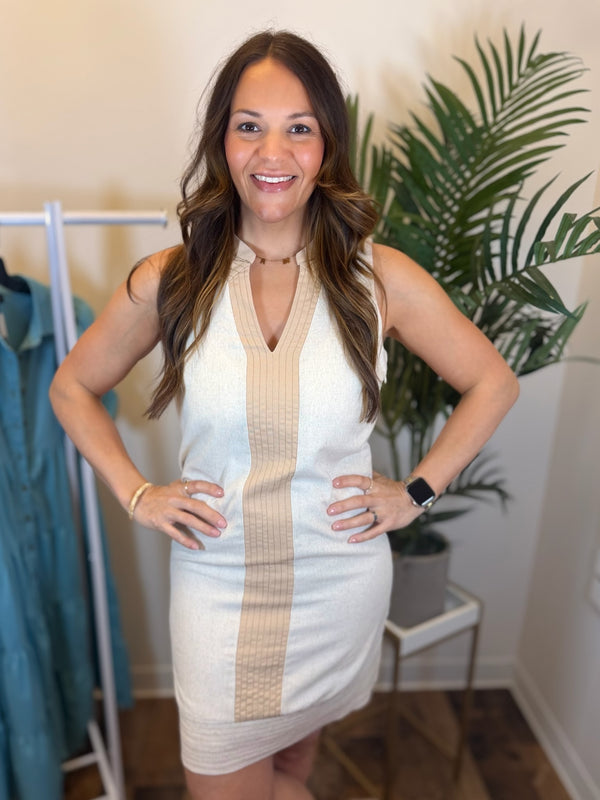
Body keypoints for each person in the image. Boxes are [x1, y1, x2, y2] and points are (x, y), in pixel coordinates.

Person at [49, 29, 519, 800]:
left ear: (327, 144)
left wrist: (418, 492)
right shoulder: (171, 280)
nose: (274, 151)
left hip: (338, 586)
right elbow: (71, 386)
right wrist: (138, 492)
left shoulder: (381, 279)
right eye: (249, 125)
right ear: (222, 141)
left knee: (291, 771)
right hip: (218, 593)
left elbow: (493, 382)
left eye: (300, 127)